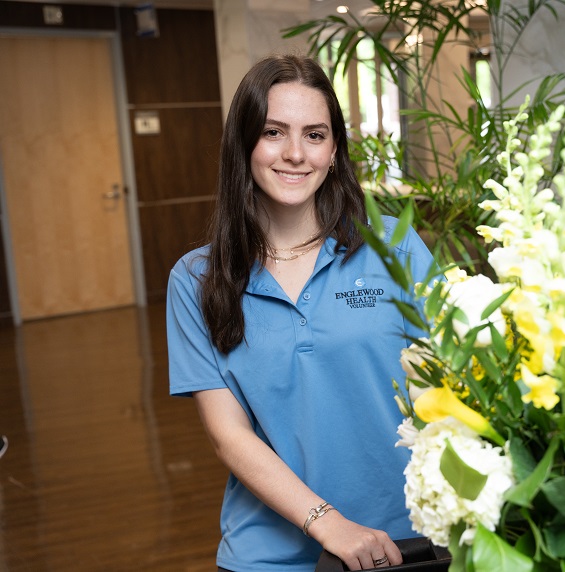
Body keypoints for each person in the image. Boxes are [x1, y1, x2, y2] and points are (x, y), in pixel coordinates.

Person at [166, 54, 434, 572]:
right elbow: (229, 435)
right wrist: (329, 523)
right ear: (243, 144)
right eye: (272, 132)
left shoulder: (395, 251)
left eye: (314, 134)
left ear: (334, 151)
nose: (294, 153)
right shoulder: (197, 279)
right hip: (270, 554)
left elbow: (454, 385)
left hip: (404, 540)